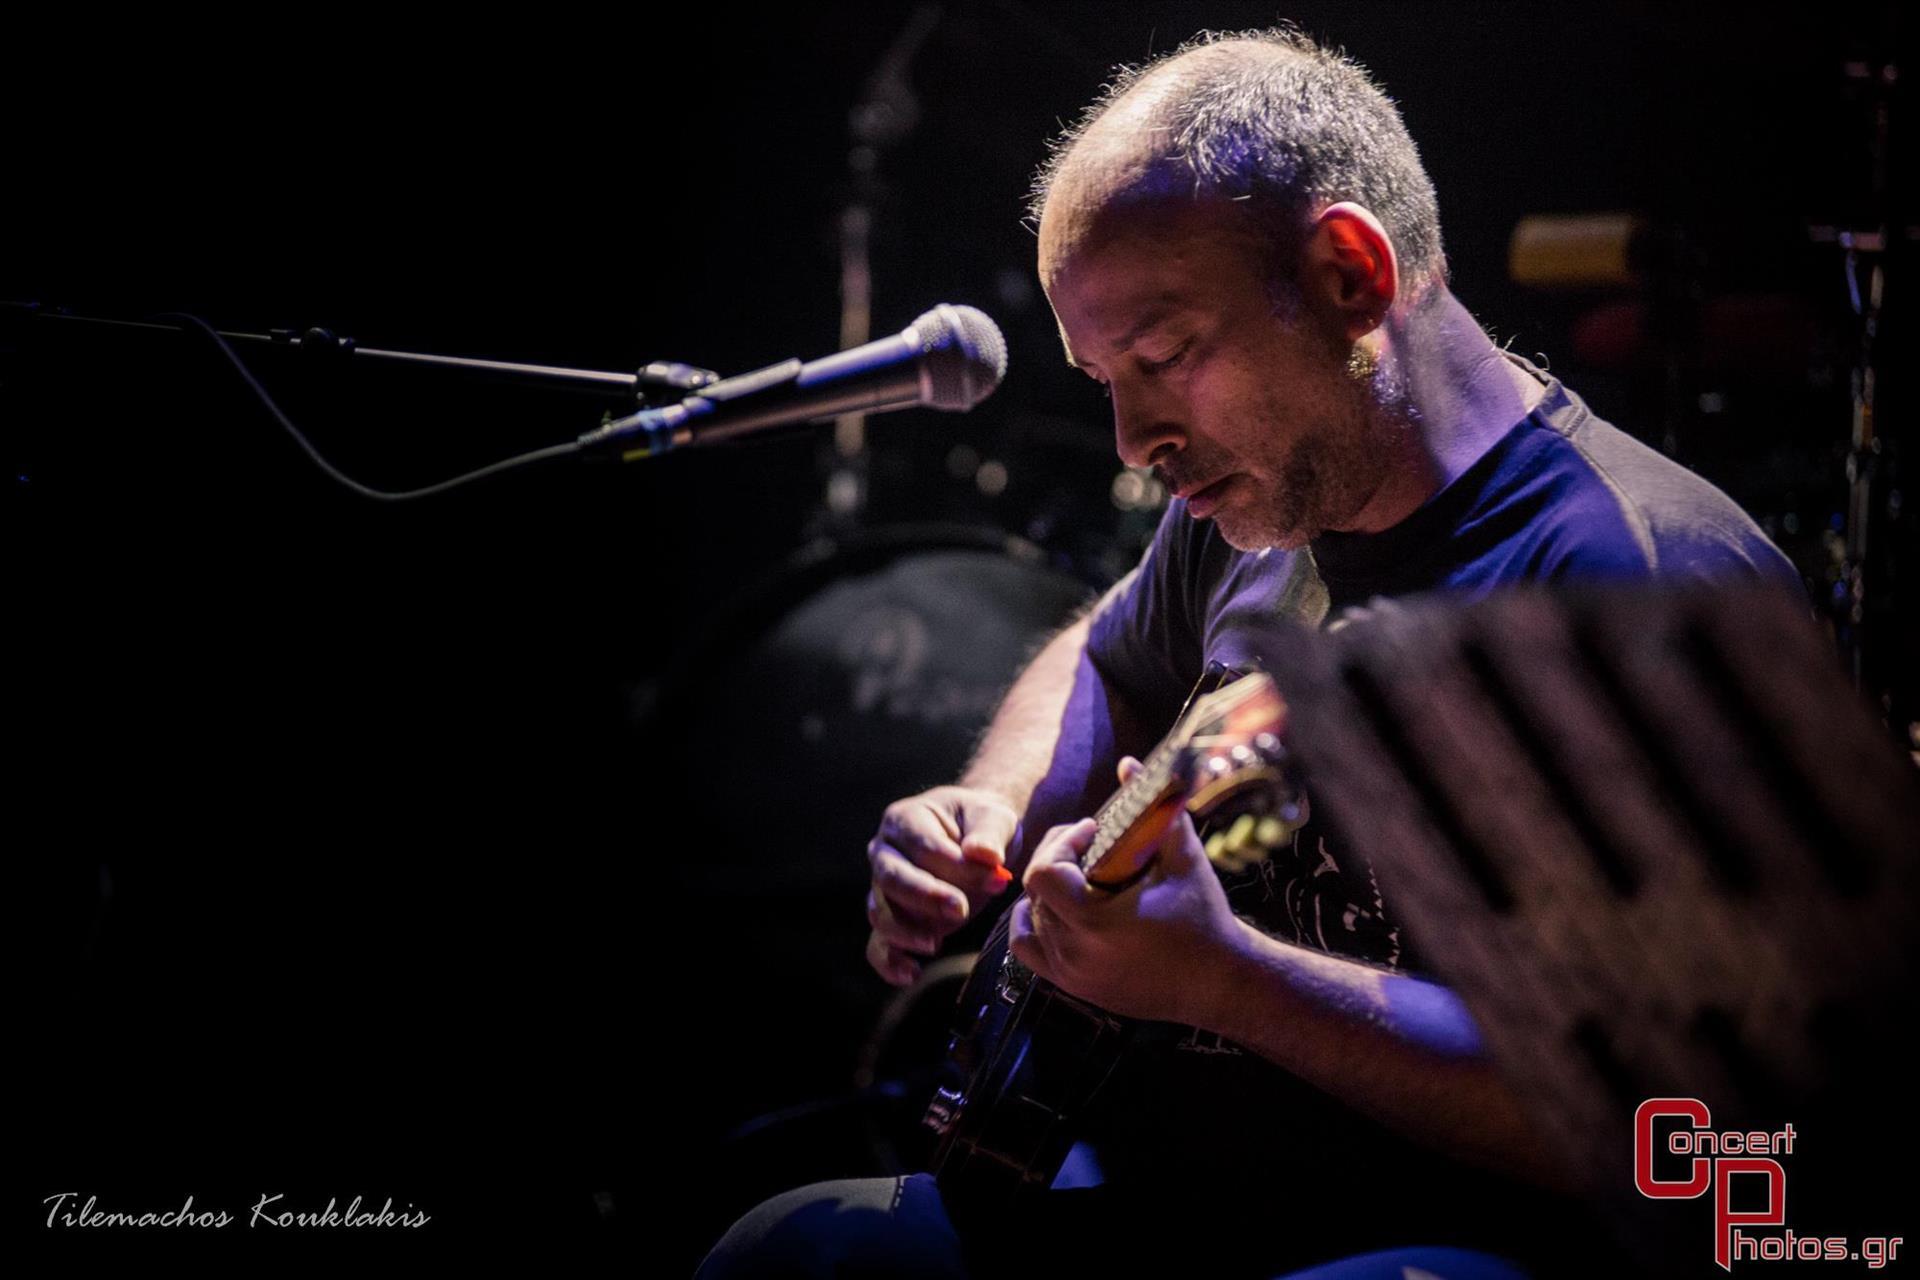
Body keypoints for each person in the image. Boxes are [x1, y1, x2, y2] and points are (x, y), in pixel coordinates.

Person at [701, 27, 1801, 1280]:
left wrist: (1232, 983)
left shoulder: (1644, 587)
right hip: (1164, 1204)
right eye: (1104, 378)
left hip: (1436, 1251)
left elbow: (1678, 1114)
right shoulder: (1263, 499)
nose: (1131, 439)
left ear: (1348, 275)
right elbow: (1108, 653)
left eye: (1164, 357)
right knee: (784, 1256)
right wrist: (990, 806)